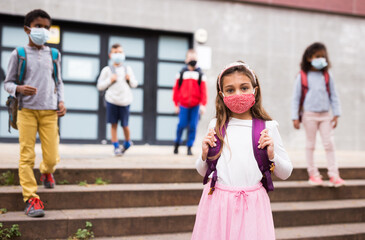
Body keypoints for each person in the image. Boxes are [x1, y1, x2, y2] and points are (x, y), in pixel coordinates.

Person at [192, 61, 292, 240]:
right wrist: (204, 155)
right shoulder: (215, 125)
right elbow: (203, 171)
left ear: (255, 89)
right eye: (230, 90)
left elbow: (285, 173)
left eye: (244, 88)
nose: (238, 94)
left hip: (253, 206)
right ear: (222, 95)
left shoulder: (268, 127)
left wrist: (272, 156)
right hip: (217, 204)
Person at [3, 9, 66, 217]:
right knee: (26, 155)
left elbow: (58, 81)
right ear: (27, 28)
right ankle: (31, 199)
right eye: (39, 26)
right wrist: (19, 89)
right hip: (26, 111)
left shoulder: (54, 54)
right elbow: (8, 83)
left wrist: (62, 101)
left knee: (51, 157)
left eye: (47, 28)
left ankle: (47, 172)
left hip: (49, 112)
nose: (43, 31)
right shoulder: (18, 54)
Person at [292, 42, 344, 187]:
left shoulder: (327, 75)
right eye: (317, 56)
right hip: (309, 115)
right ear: (309, 58)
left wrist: (336, 113)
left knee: (329, 144)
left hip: (325, 115)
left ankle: (334, 175)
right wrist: (295, 117)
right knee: (310, 144)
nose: (321, 59)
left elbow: (334, 95)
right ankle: (313, 174)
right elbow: (296, 98)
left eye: (323, 56)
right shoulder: (302, 76)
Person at [97, 43, 138, 156]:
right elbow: (99, 86)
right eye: (115, 52)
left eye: (120, 52)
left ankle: (127, 142)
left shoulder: (127, 69)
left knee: (125, 125)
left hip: (125, 101)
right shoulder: (107, 70)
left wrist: (129, 80)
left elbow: (135, 84)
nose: (118, 55)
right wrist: (110, 80)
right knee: (113, 124)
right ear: (111, 55)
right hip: (112, 101)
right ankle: (115, 146)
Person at [172, 49, 207, 155]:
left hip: (195, 106)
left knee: (193, 126)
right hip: (183, 105)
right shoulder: (181, 74)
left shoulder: (201, 74)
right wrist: (176, 104)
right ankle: (177, 143)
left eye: (194, 58)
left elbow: (204, 91)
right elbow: (176, 90)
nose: (192, 59)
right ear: (186, 60)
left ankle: (189, 147)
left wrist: (203, 105)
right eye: (190, 57)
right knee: (181, 125)